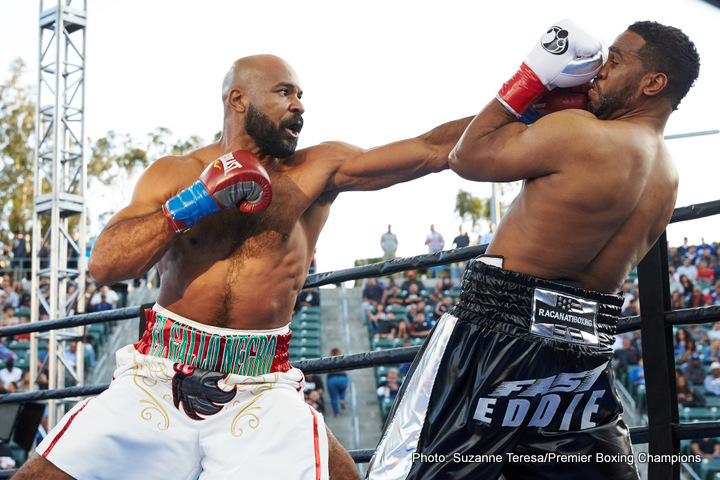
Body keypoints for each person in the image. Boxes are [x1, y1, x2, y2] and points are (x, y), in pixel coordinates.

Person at [16, 54, 472, 480]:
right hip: (157, 375)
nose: (299, 106)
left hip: (263, 385)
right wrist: (196, 202)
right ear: (238, 99)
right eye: (285, 92)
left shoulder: (318, 168)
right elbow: (105, 265)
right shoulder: (177, 173)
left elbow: (431, 149)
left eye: (301, 96)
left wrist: (524, 100)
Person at [368, 20, 700, 480]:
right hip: (581, 354)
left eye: (615, 61)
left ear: (652, 83)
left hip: (493, 339)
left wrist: (531, 77)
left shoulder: (581, 132)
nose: (599, 71)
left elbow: (467, 156)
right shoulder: (668, 178)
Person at [326, 348, 349, 418]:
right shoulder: (343, 359)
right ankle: (342, 399)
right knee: (342, 390)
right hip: (343, 378)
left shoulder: (328, 360)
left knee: (334, 397)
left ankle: (337, 413)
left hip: (332, 379)